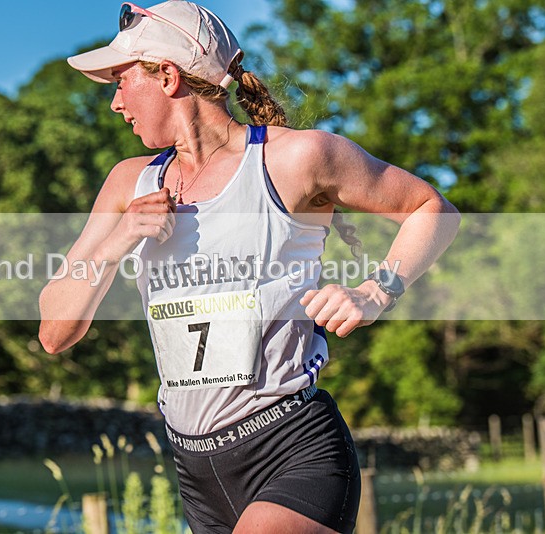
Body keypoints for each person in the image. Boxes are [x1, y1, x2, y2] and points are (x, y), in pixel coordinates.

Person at [39, 1, 460, 532]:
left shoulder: (295, 159)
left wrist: (377, 291)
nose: (115, 103)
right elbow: (54, 330)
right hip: (195, 470)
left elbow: (431, 208)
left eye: (121, 82)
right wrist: (117, 240)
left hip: (292, 449)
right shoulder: (129, 183)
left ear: (167, 76)